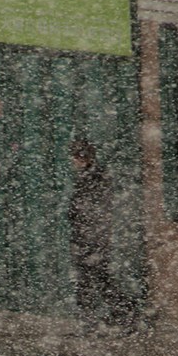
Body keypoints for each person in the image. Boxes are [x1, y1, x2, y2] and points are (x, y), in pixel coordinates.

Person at [67, 137, 128, 331]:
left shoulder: (92, 178)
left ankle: (112, 317)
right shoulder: (93, 176)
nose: (72, 161)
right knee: (97, 281)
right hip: (91, 239)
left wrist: (87, 237)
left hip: (91, 239)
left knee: (92, 282)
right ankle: (120, 315)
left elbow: (91, 211)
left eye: (74, 157)